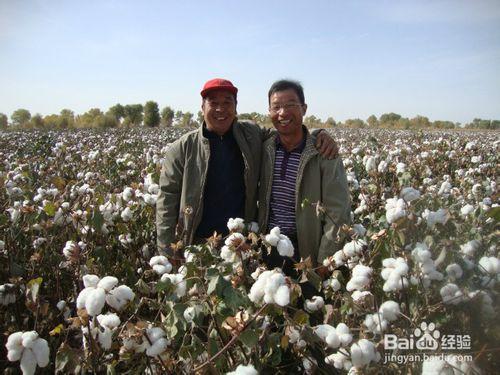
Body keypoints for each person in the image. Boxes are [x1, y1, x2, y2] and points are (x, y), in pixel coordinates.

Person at [156, 78, 338, 257]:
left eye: (227, 102)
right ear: (202, 107)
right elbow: (166, 202)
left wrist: (317, 134)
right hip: (197, 246)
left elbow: (287, 131)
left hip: (242, 246)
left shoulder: (250, 134)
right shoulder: (181, 148)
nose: (220, 109)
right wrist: (168, 251)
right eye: (213, 103)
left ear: (235, 107)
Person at [258, 79, 351, 275]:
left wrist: (326, 258)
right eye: (276, 107)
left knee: (305, 303)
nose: (283, 113)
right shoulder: (266, 147)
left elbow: (338, 210)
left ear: (304, 108)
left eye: (290, 105)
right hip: (269, 246)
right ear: (269, 112)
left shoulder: (324, 153)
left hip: (308, 252)